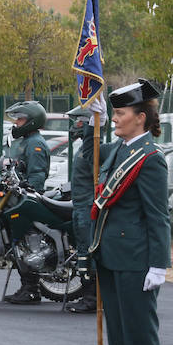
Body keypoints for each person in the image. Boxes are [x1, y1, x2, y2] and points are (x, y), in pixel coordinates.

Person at [84, 81, 169, 345]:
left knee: (139, 336)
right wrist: (93, 125)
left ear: (141, 117)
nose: (115, 119)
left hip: (136, 260)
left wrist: (159, 265)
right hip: (111, 255)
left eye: (120, 113)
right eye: (114, 113)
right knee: (119, 337)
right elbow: (87, 162)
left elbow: (158, 216)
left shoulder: (150, 158)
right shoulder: (119, 149)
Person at [2, 100, 51, 305]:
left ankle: (31, 288)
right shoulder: (27, 141)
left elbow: (37, 176)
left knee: (28, 241)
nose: (17, 123)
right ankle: (27, 286)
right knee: (19, 242)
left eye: (20, 119)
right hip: (18, 199)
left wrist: (27, 190)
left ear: (32, 121)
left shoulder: (35, 144)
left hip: (28, 201)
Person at [65, 104, 98, 313]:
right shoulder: (83, 150)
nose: (74, 125)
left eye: (78, 121)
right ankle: (88, 296)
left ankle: (91, 298)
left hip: (87, 208)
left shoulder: (93, 149)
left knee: (87, 253)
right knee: (82, 252)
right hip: (79, 206)